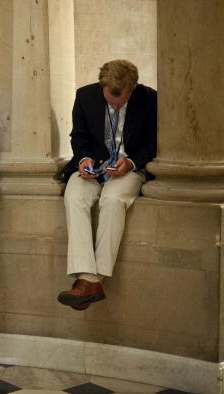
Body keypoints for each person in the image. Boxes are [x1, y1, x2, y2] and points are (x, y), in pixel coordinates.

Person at [58, 59, 157, 311]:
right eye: (110, 100)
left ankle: (91, 280)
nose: (114, 105)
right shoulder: (85, 96)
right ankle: (88, 279)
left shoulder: (149, 99)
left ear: (132, 89)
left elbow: (152, 144)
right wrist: (84, 159)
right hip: (95, 168)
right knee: (74, 195)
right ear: (102, 86)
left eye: (120, 102)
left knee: (112, 200)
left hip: (129, 170)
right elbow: (78, 136)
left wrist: (132, 162)